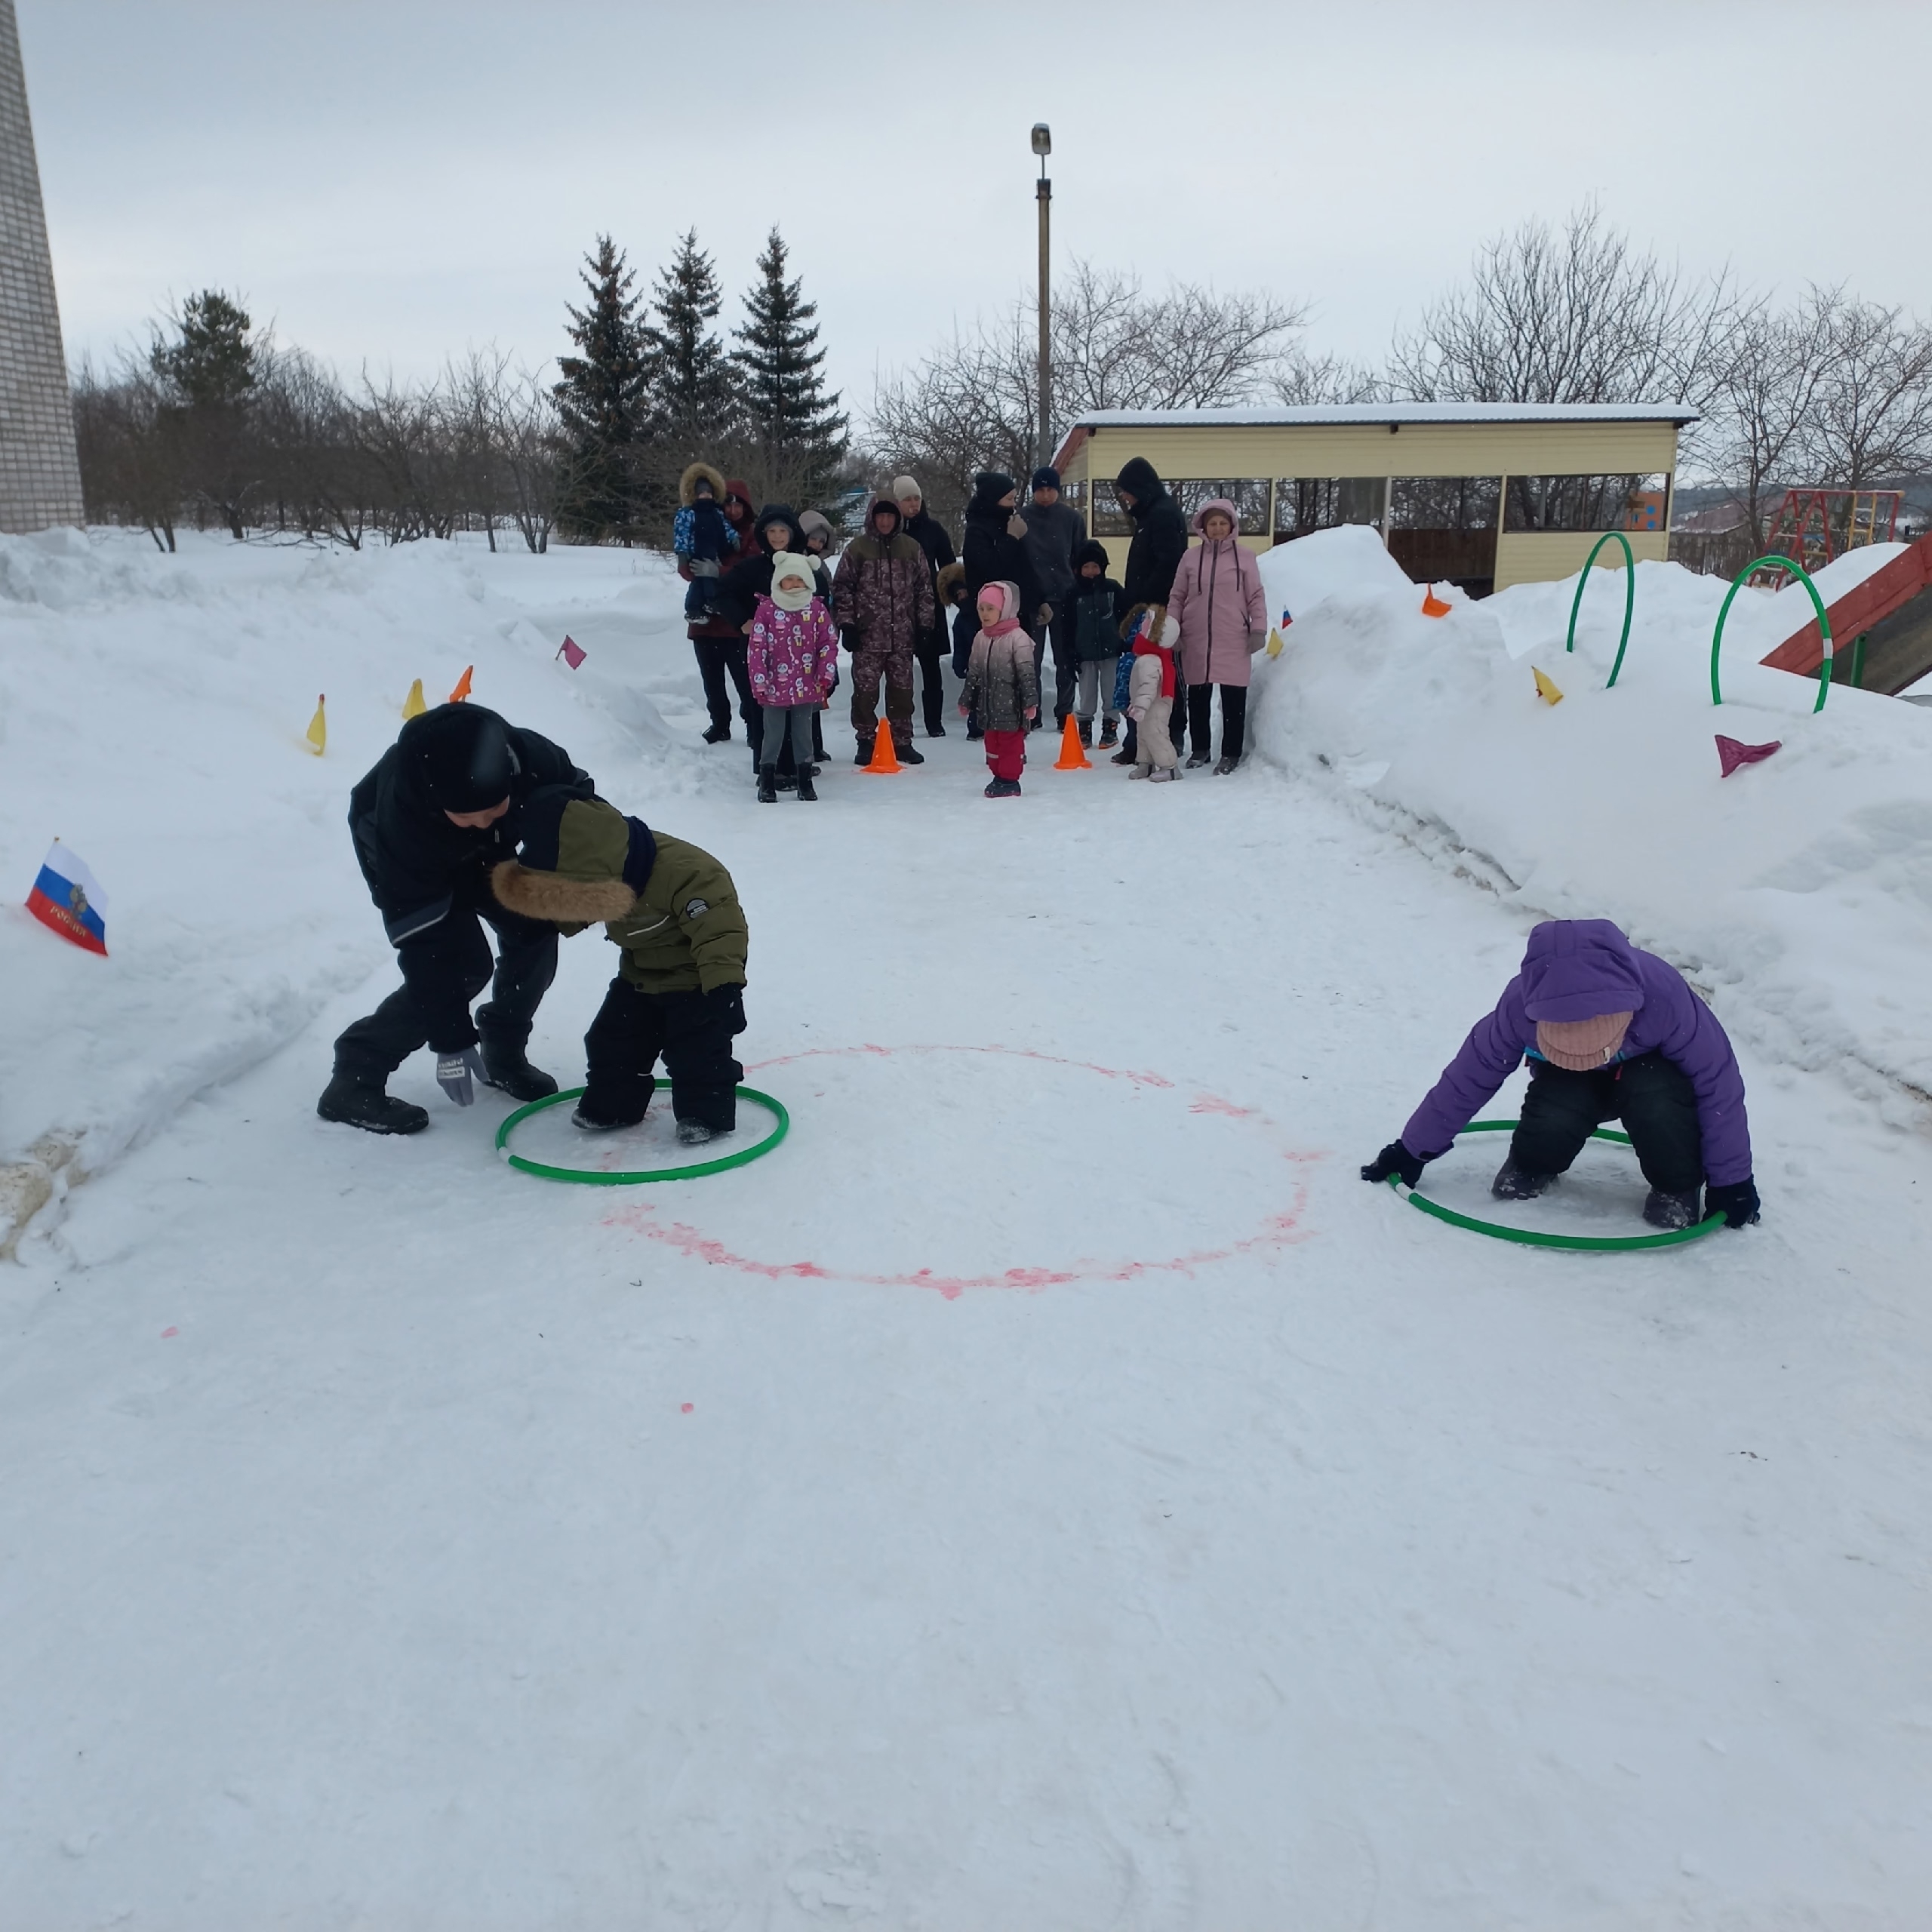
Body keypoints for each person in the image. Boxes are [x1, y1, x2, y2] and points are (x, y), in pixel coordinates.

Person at [1360, 918, 1762, 1232]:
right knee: (1560, 1096)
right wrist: (1412, 1149)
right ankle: (1534, 1161)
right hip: (1567, 1084)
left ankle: (1676, 1184)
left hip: (1649, 1080)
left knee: (1656, 1095)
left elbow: (1719, 1086)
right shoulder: (1519, 1007)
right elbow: (1468, 1078)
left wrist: (1732, 1181)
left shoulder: (1664, 998)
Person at [318, 703, 592, 1135]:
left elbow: (584, 813)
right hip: (413, 856)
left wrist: (570, 873)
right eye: (468, 815)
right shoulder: (401, 821)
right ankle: (356, 1073)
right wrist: (452, 1041)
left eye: (495, 808)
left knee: (535, 927)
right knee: (463, 965)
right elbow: (424, 945)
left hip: (490, 855)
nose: (482, 822)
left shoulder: (534, 759)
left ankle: (503, 1048)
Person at [489, 791, 749, 1146]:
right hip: (638, 976)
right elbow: (575, 909)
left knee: (696, 1050)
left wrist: (724, 989)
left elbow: (720, 933)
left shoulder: (689, 873)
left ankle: (705, 1114)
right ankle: (614, 1106)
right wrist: (536, 924)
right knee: (612, 1041)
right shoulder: (604, 873)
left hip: (696, 980)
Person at [832, 495, 936, 767]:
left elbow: (924, 589)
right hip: (867, 637)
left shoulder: (912, 548)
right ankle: (865, 740)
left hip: (903, 636)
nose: (886, 521)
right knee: (865, 693)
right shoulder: (857, 549)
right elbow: (842, 588)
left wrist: (925, 626)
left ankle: (902, 741)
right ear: (873, 518)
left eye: (891, 516)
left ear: (897, 518)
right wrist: (847, 624)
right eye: (881, 516)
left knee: (902, 691)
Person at [1166, 497, 1267, 774]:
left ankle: (1230, 753)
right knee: (1198, 695)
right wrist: (1173, 630)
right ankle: (1201, 749)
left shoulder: (1245, 557)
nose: (1218, 528)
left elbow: (1256, 596)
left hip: (1233, 636)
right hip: (1196, 637)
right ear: (1203, 527)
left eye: (1223, 523)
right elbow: (1177, 597)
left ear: (1232, 525)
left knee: (1233, 698)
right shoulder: (1190, 558)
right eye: (1213, 523)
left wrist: (1258, 628)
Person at [717, 503, 811, 780]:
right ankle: (767, 767)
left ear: (793, 533)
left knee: (798, 709)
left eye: (783, 530)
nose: (778, 536)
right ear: (764, 534)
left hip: (798, 652)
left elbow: (820, 602)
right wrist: (741, 621)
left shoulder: (803, 566)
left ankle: (798, 766)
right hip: (759, 651)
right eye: (772, 531)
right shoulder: (751, 567)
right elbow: (722, 594)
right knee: (762, 707)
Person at [1109, 455, 1189, 765]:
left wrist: (1146, 603)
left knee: (1161, 677)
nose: (1123, 498)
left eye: (1126, 491)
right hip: (1143, 609)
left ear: (1140, 488)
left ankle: (1170, 737)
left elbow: (1168, 563)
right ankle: (1138, 741)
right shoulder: (1148, 516)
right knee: (1138, 676)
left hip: (1157, 612)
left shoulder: (1164, 515)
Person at [748, 552, 838, 804]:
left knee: (803, 735)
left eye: (800, 579)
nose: (795, 584)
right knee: (773, 734)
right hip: (774, 687)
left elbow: (827, 643)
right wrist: (760, 680)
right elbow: (757, 649)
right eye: (789, 579)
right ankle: (767, 780)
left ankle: (805, 781)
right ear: (779, 581)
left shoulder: (816, 609)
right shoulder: (767, 610)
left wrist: (824, 673)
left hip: (807, 685)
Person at [961, 472, 1045, 731]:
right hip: (990, 612)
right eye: (1009, 498)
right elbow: (991, 569)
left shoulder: (1010, 524)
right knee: (989, 668)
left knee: (1018, 668)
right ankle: (981, 721)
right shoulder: (977, 531)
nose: (1013, 503)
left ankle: (1021, 718)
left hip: (1017, 611)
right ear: (994, 499)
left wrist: (1038, 601)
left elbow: (1023, 569)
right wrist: (1010, 539)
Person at [687, 477, 759, 746]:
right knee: (712, 680)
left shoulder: (753, 535)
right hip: (704, 621)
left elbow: (750, 572)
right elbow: (688, 568)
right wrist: (692, 564)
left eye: (738, 505)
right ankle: (720, 723)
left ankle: (754, 725)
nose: (733, 510)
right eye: (728, 504)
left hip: (735, 622)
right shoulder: (704, 525)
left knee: (746, 680)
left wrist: (719, 571)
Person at [959, 580, 1039, 798]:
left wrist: (1030, 702)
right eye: (981, 609)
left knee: (1010, 745)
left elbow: (1027, 674)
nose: (985, 614)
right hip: (988, 706)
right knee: (992, 744)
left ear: (1004, 610)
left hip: (1012, 707)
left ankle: (1010, 779)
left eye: (991, 609)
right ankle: (998, 775)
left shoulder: (1018, 638)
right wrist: (966, 700)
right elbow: (973, 672)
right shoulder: (981, 638)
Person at [894, 475, 958, 738]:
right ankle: (902, 721)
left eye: (916, 498)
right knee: (900, 668)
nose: (913, 504)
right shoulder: (891, 532)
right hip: (897, 609)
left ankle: (934, 721)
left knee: (931, 666)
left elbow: (949, 567)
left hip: (929, 607)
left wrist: (954, 592)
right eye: (907, 499)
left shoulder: (934, 530)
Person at [1022, 465, 1082, 728]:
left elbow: (1081, 557)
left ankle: (1065, 712)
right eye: (1041, 490)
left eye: (1050, 490)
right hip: (1032, 599)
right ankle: (1032, 713)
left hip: (1065, 597)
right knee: (1029, 661)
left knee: (1064, 659)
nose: (1045, 495)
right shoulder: (1021, 518)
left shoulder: (1071, 519)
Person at [1067, 539, 1124, 748]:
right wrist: (1070, 653)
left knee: (1110, 691)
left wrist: (1124, 642)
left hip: (1111, 651)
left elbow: (1124, 617)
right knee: (1087, 694)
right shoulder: (1072, 594)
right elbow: (1067, 627)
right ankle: (1084, 730)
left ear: (1103, 567)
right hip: (1084, 654)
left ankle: (1110, 729)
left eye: (1095, 566)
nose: (1091, 571)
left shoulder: (1113, 589)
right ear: (1078, 569)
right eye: (1086, 566)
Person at [674, 463, 740, 625]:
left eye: (708, 493)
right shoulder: (688, 514)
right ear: (694, 494)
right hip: (696, 553)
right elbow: (681, 534)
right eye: (701, 493)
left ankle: (711, 602)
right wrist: (682, 556)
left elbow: (726, 527)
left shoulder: (717, 513)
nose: (706, 496)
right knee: (699, 582)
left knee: (712, 579)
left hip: (714, 552)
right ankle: (693, 607)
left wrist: (734, 538)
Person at [1124, 607, 1180, 782]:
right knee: (1143, 734)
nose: (1141, 627)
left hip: (1155, 707)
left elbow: (1148, 686)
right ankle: (1145, 763)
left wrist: (1141, 705)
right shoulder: (1146, 657)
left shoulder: (1151, 660)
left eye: (1145, 626)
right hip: (1147, 705)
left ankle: (1169, 767)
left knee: (1156, 733)